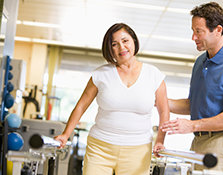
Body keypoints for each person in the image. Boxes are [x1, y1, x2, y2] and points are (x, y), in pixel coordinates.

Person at [55, 23, 170, 175]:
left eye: (125, 41)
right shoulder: (101, 75)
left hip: (138, 151)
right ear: (110, 50)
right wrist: (66, 134)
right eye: (114, 44)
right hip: (100, 148)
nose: (121, 47)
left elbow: (164, 111)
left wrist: (160, 140)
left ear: (134, 41)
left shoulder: (153, 75)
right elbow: (81, 106)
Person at [161, 2, 223, 174]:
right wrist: (159, 101)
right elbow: (194, 105)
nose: (193, 37)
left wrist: (192, 125)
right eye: (193, 30)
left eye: (199, 31)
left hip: (222, 143)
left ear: (218, 30)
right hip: (199, 141)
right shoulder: (200, 62)